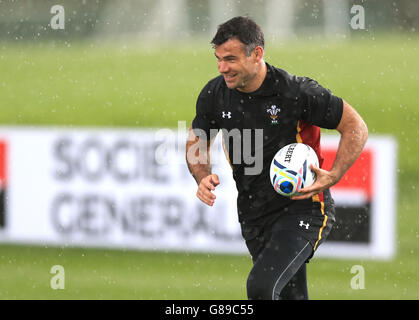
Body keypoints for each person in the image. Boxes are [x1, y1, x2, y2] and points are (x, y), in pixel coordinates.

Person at [185, 16, 368, 300]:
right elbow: (198, 139)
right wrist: (201, 175)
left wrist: (334, 174)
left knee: (261, 287)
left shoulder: (296, 92)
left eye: (230, 59)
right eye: (218, 59)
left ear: (257, 54)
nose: (223, 68)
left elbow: (355, 126)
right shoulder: (214, 94)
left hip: (303, 210)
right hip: (253, 213)